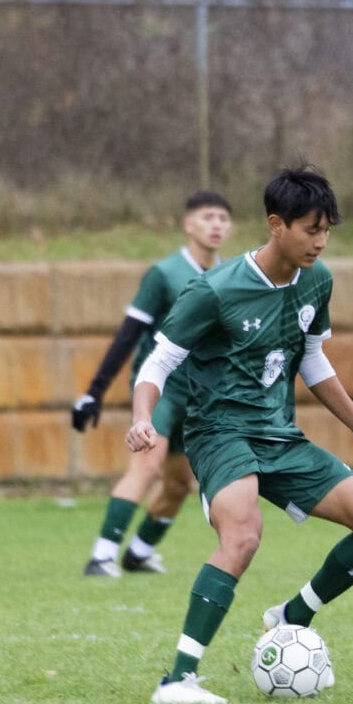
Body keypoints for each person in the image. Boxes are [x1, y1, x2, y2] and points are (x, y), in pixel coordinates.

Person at [129, 165, 353, 704]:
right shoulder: (214, 289)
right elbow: (158, 363)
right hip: (219, 432)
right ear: (276, 224)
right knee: (242, 535)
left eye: (327, 231)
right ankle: (178, 680)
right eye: (310, 229)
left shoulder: (317, 280)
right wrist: (143, 417)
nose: (320, 242)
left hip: (279, 435)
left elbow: (314, 359)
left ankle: (292, 615)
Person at [72, 191, 233, 577]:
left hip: (198, 393)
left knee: (180, 483)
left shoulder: (233, 275)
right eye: (208, 217)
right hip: (161, 387)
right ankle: (102, 555)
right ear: (188, 224)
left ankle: (139, 552)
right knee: (147, 465)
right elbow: (128, 335)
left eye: (223, 218)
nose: (216, 225)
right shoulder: (164, 274)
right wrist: (94, 392)